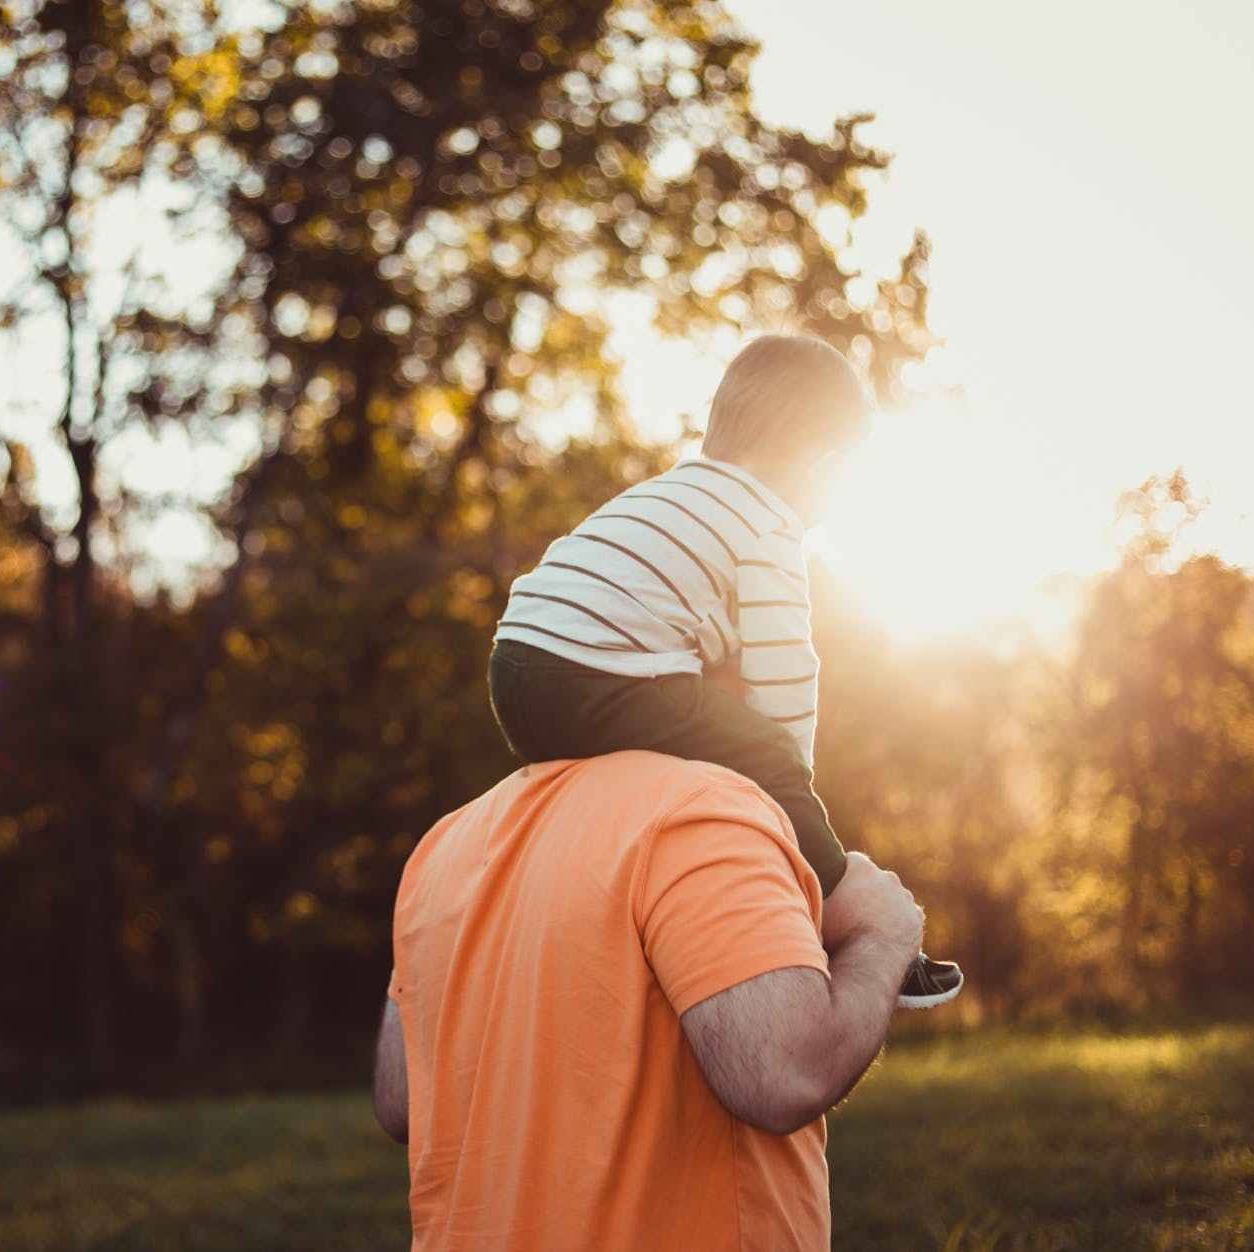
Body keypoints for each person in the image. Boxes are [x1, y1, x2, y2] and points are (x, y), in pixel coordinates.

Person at [488, 334, 960, 1006]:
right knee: (759, 748)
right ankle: (851, 923)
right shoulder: (766, 522)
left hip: (518, 667)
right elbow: (786, 671)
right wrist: (786, 782)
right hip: (592, 672)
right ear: (822, 461)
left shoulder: (674, 494)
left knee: (705, 726)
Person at [374, 750, 925, 1250]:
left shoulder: (444, 844)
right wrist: (883, 934)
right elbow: (787, 1073)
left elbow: (401, 1099)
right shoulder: (698, 811)